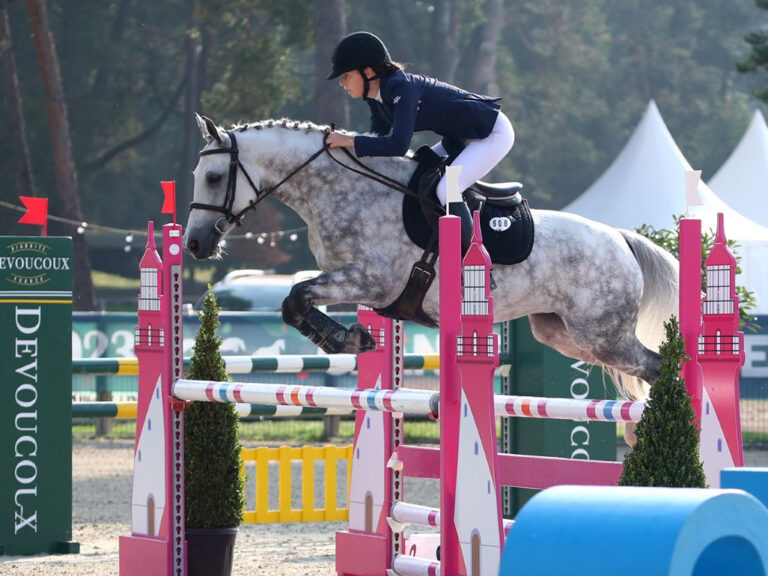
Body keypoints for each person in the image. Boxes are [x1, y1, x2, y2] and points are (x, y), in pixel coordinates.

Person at [325, 31, 515, 210]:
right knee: (414, 176)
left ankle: (468, 245)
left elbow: (398, 145)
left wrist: (348, 140)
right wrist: (344, 150)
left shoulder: (403, 88)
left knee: (447, 189)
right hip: (459, 138)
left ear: (368, 72)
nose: (342, 83)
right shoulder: (376, 97)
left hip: (491, 133)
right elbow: (376, 139)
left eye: (346, 76)